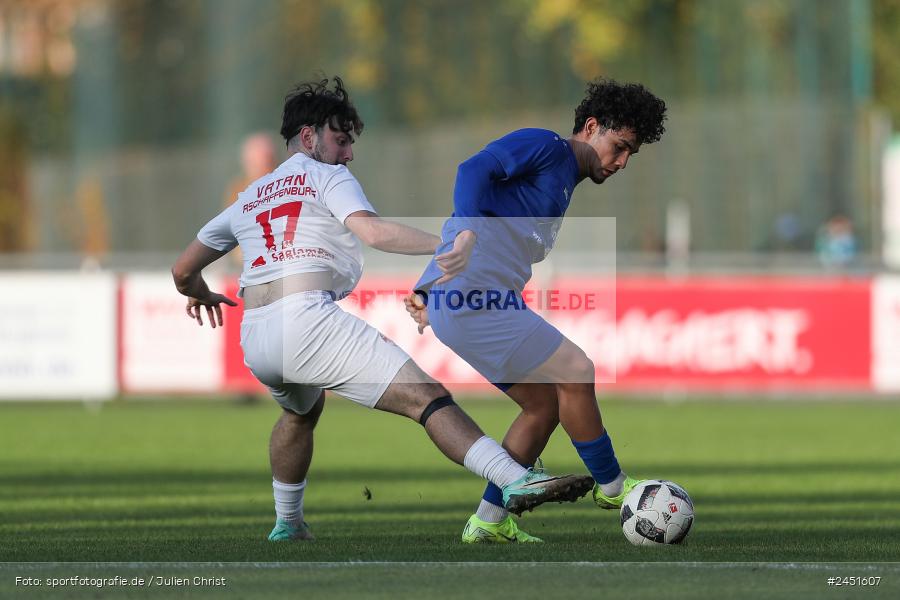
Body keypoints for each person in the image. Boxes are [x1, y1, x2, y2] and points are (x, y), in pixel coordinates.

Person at [171, 76, 593, 542]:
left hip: (257, 335)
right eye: (341, 139)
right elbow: (374, 234)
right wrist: (448, 243)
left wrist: (200, 291)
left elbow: (183, 270)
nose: (349, 153)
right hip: (307, 321)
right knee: (426, 397)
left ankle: (287, 525)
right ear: (308, 137)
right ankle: (514, 478)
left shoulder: (248, 197)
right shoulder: (325, 174)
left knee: (299, 414)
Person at [405, 78, 667, 543]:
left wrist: (428, 290)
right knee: (576, 368)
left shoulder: (564, 180)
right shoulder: (546, 146)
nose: (623, 162)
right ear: (591, 126)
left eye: (632, 154)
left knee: (543, 406)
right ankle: (612, 487)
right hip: (474, 298)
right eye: (620, 146)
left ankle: (488, 520)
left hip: (469, 299)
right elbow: (471, 171)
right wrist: (457, 247)